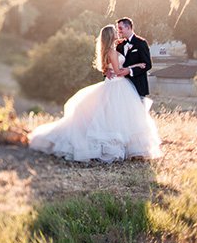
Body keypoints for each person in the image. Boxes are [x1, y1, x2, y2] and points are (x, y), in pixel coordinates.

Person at [27, 24, 162, 162]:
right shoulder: (111, 52)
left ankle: (123, 147)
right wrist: (136, 66)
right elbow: (118, 72)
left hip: (114, 83)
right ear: (111, 35)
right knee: (116, 115)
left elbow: (109, 69)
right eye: (115, 31)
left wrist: (112, 69)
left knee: (114, 115)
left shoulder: (109, 49)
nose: (118, 33)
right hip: (117, 84)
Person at [110, 17, 152, 98]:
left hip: (138, 86)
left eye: (120, 28)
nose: (119, 31)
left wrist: (130, 71)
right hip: (122, 87)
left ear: (128, 27)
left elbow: (148, 64)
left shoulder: (141, 43)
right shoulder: (119, 46)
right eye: (118, 29)